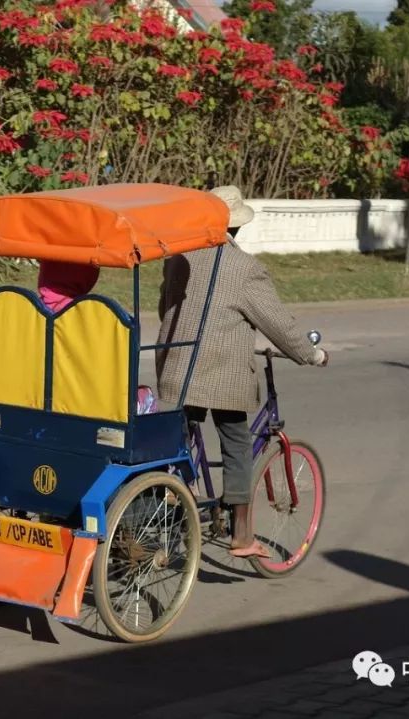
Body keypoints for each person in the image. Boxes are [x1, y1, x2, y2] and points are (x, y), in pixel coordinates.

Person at [155, 185, 328, 558]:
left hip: (175, 369)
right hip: (220, 376)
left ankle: (176, 500)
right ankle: (242, 535)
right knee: (236, 443)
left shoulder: (178, 258)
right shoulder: (244, 268)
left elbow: (164, 308)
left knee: (178, 438)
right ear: (236, 228)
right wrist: (311, 354)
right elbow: (278, 324)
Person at [37, 259, 159, 415]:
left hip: (40, 402)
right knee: (144, 395)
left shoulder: (29, 315)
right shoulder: (104, 319)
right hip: (95, 404)